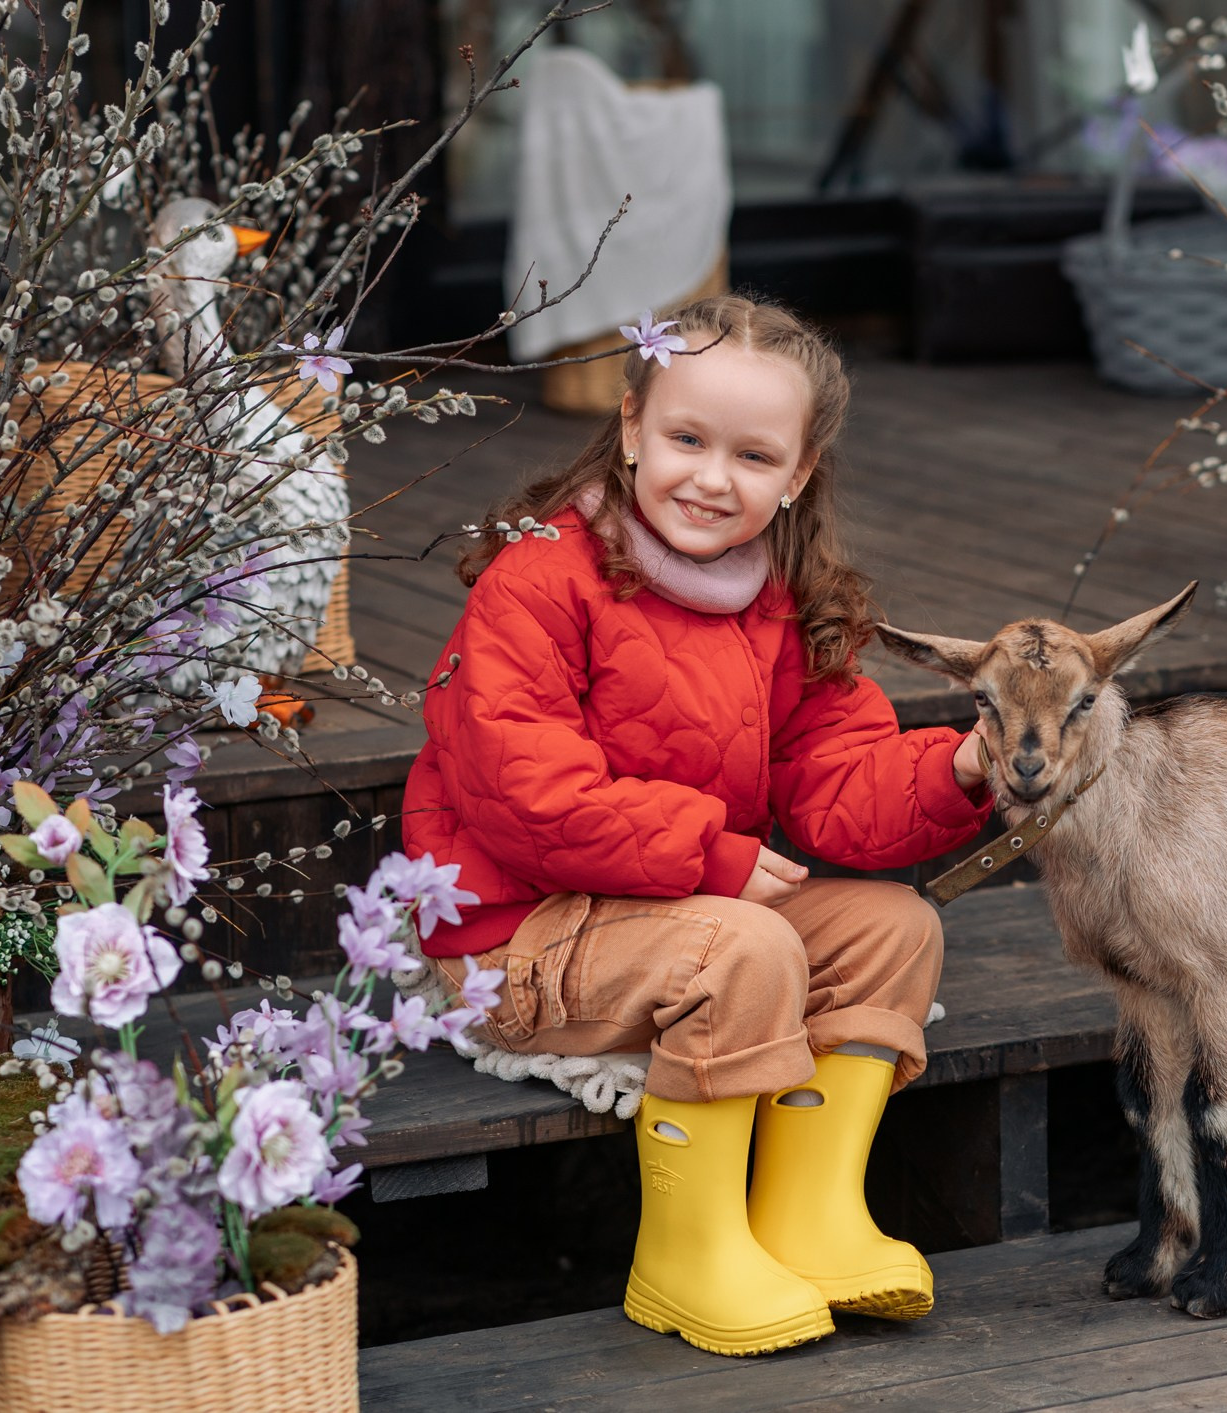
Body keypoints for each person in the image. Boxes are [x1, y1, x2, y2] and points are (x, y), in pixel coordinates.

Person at [402, 293, 994, 1357]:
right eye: (685, 438)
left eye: (753, 456)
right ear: (630, 427)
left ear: (798, 474)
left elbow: (836, 782)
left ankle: (803, 1221)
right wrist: (711, 857)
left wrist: (957, 769)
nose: (712, 479)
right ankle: (687, 1252)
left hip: (668, 927)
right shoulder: (539, 581)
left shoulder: (782, 597)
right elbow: (524, 795)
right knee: (747, 941)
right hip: (520, 940)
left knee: (893, 928)